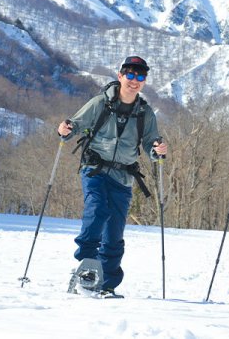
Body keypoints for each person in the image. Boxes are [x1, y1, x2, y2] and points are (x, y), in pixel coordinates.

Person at [58, 56, 167, 298]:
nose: (135, 80)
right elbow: (74, 125)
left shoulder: (145, 113)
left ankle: (107, 282)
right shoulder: (100, 103)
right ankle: (87, 265)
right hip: (94, 169)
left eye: (140, 76)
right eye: (130, 75)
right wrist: (64, 130)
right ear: (120, 76)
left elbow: (151, 143)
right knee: (97, 209)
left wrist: (157, 150)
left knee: (114, 231)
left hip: (123, 176)